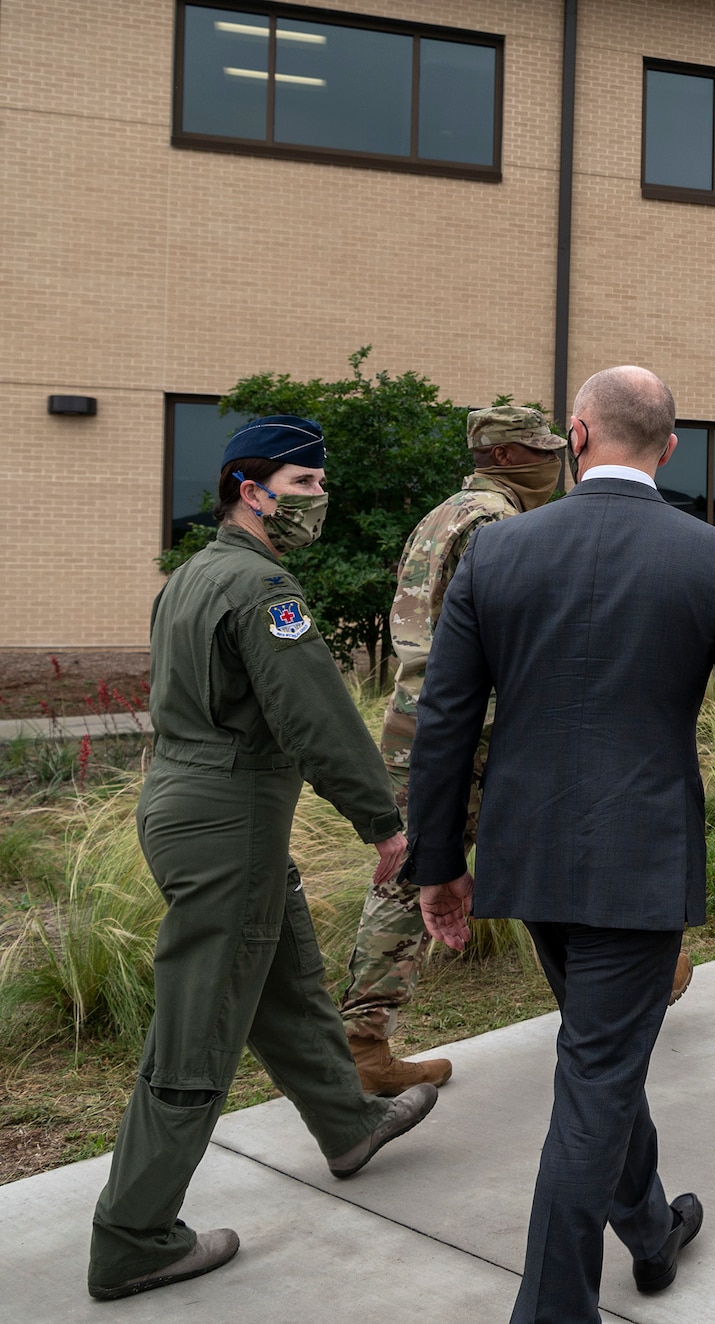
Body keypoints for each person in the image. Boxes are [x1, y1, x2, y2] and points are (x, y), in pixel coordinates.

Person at [405, 366, 715, 1321]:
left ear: (577, 435)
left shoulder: (498, 554)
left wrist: (438, 863)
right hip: (640, 862)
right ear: (668, 448)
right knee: (597, 1073)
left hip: (529, 856)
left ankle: (652, 1229)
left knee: (599, 1055)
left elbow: (445, 719)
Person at [88, 417, 438, 1301]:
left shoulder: (191, 577)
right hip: (229, 817)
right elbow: (312, 714)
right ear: (254, 490)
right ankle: (134, 1235)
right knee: (199, 1022)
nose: (319, 501)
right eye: (307, 485)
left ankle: (349, 1121)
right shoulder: (262, 587)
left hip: (184, 804)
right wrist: (383, 823)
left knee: (280, 970)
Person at [337, 405, 694, 1097]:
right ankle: (638, 977)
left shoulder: (443, 514)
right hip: (478, 730)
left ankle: (363, 1040)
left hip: (423, 725)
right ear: (503, 457)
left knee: (410, 878)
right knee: (513, 859)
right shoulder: (499, 525)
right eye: (539, 451)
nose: (554, 463)